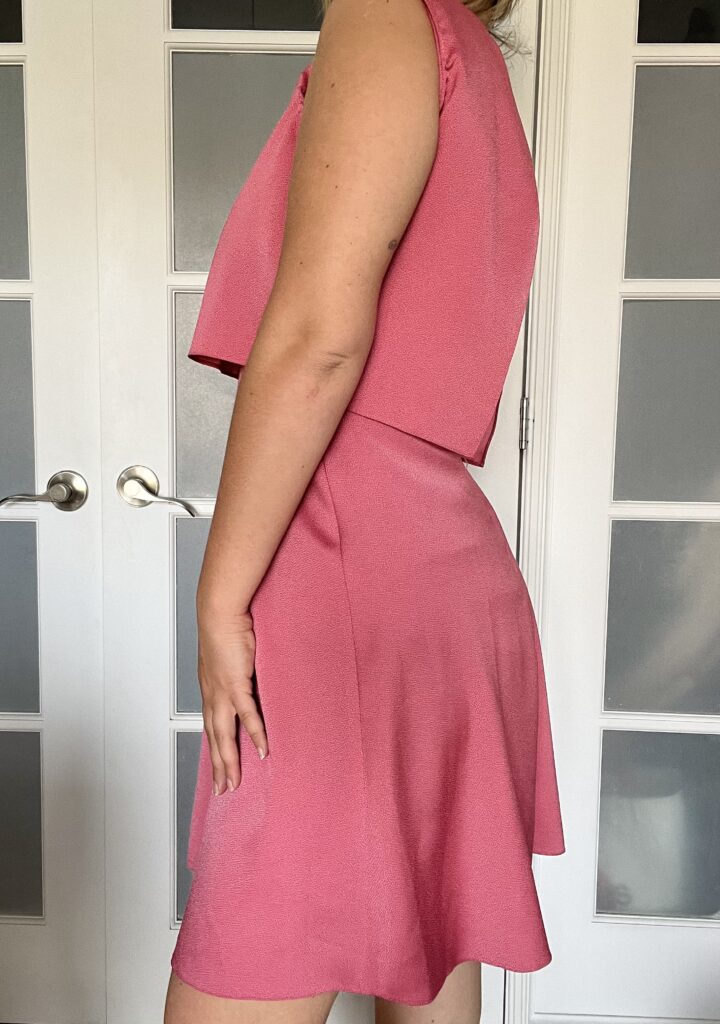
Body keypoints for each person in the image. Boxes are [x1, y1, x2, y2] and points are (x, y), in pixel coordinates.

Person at [165, 0, 565, 1021]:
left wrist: (219, 596)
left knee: (254, 954)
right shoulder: (470, 55)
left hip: (349, 554)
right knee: (428, 951)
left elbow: (319, 340)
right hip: (434, 556)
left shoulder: (389, 15)